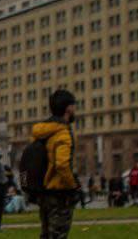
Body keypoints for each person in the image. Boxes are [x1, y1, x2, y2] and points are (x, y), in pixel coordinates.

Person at [31, 90, 80, 239]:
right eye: (74, 106)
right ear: (68, 109)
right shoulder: (63, 133)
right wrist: (72, 186)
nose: (74, 109)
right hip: (59, 194)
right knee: (58, 235)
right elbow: (62, 165)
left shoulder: (41, 132)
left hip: (43, 193)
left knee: (46, 235)